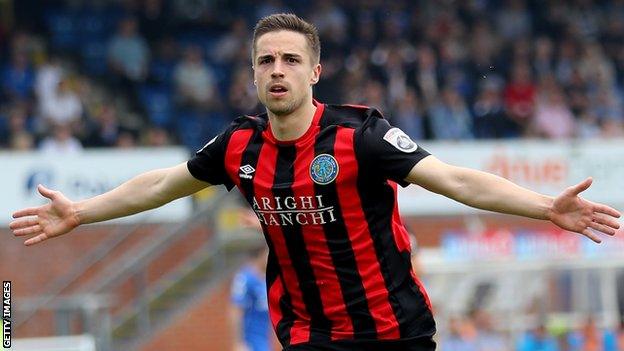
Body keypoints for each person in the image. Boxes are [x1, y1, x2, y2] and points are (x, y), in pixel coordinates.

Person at [9, 13, 621, 351]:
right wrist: (83, 213)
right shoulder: (238, 145)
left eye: (291, 60)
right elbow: (162, 184)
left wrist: (546, 208)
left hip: (394, 333)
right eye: (266, 61)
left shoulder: (364, 136)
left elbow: (456, 179)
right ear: (253, 72)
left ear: (315, 71)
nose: (278, 71)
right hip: (308, 337)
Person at [230, 246, 272, 351]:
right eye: (268, 254)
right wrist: (238, 343)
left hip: (264, 338)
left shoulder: (267, 278)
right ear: (261, 254)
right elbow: (235, 310)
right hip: (250, 340)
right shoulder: (245, 278)